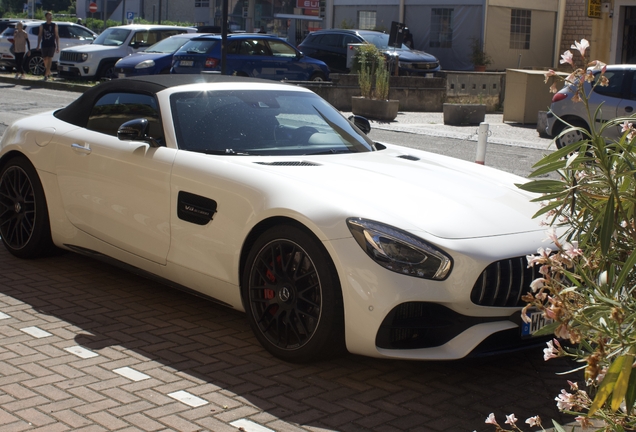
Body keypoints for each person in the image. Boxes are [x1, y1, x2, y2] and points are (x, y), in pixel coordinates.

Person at [37, 11, 60, 81]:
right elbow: (40, 35)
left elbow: (56, 35)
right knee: (45, 59)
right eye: (48, 16)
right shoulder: (42, 25)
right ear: (46, 17)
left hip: (51, 44)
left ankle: (46, 74)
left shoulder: (54, 25)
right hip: (44, 44)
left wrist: (58, 46)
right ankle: (48, 71)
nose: (50, 17)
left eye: (51, 16)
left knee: (50, 58)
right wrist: (38, 44)